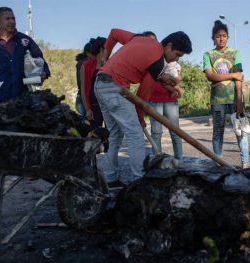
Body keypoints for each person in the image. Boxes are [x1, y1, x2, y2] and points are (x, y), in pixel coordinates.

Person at [94, 29, 192, 188]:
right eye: (178, 54)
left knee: (115, 135)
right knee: (136, 136)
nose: (176, 59)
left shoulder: (140, 38)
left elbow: (114, 33)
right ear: (169, 45)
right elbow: (142, 95)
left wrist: (105, 56)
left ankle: (111, 179)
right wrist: (139, 118)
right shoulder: (159, 63)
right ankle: (139, 182)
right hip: (115, 89)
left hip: (100, 84)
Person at [203, 20, 250, 169]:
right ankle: (219, 163)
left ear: (228, 37)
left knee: (240, 129)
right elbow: (210, 76)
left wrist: (239, 99)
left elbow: (239, 79)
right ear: (213, 39)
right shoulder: (208, 55)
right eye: (218, 36)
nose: (221, 39)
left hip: (234, 99)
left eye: (224, 36)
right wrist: (233, 75)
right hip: (217, 99)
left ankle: (246, 163)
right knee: (218, 130)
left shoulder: (235, 53)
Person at [0, 7, 50, 103]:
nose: (12, 21)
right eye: (7, 19)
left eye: (13, 18)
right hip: (0, 98)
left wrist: (44, 73)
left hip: (22, 98)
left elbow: (40, 59)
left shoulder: (25, 40)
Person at [149, 60, 183, 160]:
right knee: (156, 133)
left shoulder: (174, 64)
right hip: (154, 99)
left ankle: (179, 159)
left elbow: (178, 76)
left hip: (171, 100)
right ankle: (157, 159)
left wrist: (177, 81)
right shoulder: (155, 61)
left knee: (175, 131)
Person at [80, 37, 107, 130]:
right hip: (94, 105)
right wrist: (87, 109)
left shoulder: (111, 64)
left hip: (109, 105)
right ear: (102, 49)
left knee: (111, 135)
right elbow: (83, 89)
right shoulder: (86, 65)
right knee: (95, 133)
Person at [75, 41, 93, 116]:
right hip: (84, 100)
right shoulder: (85, 64)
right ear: (88, 53)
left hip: (81, 99)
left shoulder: (80, 63)